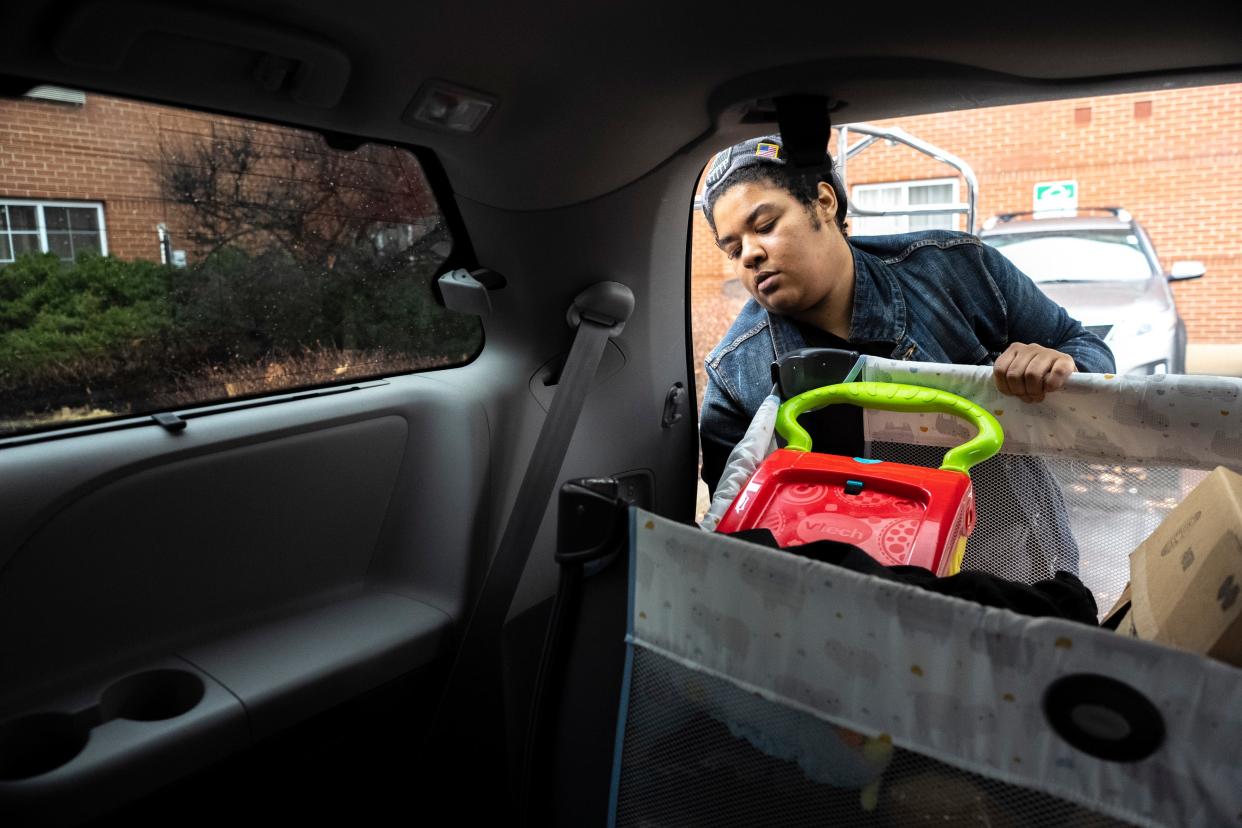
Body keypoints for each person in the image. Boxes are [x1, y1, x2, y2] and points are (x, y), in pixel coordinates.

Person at [699, 134, 1116, 579]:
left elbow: (1090, 351)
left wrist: (1057, 365)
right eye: (733, 248)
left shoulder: (958, 269)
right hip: (856, 594)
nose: (751, 255)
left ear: (823, 202)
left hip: (1016, 564)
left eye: (764, 226)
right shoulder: (734, 372)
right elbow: (739, 530)